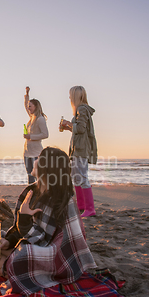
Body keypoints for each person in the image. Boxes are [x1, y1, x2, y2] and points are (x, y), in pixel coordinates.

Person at [0, 147, 96, 295]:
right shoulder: (30, 191)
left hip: (54, 258)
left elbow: (48, 242)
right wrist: (7, 241)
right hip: (31, 245)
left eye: (39, 157)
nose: (35, 160)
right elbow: (19, 230)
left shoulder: (64, 201)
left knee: (23, 255)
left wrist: (25, 221)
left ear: (47, 167)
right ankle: (12, 267)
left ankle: (10, 270)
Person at [60, 86, 98, 217]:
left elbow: (81, 128)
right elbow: (79, 130)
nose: (69, 98)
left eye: (71, 95)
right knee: (76, 177)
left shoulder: (82, 109)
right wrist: (67, 128)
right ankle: (81, 205)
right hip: (77, 148)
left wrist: (68, 123)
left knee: (82, 177)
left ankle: (90, 208)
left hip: (81, 148)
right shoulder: (79, 110)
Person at [23, 86, 49, 184]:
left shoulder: (40, 119)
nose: (28, 108)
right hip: (27, 152)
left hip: (36, 153)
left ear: (36, 107)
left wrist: (31, 137)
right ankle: (31, 195)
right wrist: (27, 94)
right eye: (29, 106)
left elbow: (45, 134)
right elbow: (25, 105)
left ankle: (41, 194)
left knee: (38, 176)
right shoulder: (32, 117)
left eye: (31, 106)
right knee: (29, 175)